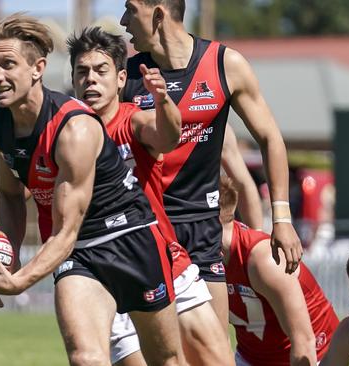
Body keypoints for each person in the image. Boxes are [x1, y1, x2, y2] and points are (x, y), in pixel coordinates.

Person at [0, 14, 185, 366]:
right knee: (85, 357)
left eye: (8, 65)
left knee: (166, 359)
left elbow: (66, 230)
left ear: (38, 68)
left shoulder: (74, 128)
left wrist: (19, 281)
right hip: (78, 254)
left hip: (131, 238)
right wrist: (9, 252)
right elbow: (12, 196)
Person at [119, 0, 302, 326]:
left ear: (158, 15)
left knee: (213, 351)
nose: (123, 21)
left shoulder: (224, 64)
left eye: (130, 10)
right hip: (144, 229)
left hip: (202, 229)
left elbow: (271, 138)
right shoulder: (125, 75)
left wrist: (283, 218)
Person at [68, 27, 232, 365]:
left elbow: (166, 137)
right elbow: (20, 188)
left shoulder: (133, 121)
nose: (90, 80)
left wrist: (163, 101)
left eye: (101, 71)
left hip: (165, 259)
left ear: (120, 78)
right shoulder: (64, 133)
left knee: (218, 359)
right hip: (106, 272)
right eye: (82, 72)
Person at [220, 175, 338, 366]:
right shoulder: (199, 255)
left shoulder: (262, 258)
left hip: (313, 353)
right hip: (252, 356)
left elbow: (304, 342)